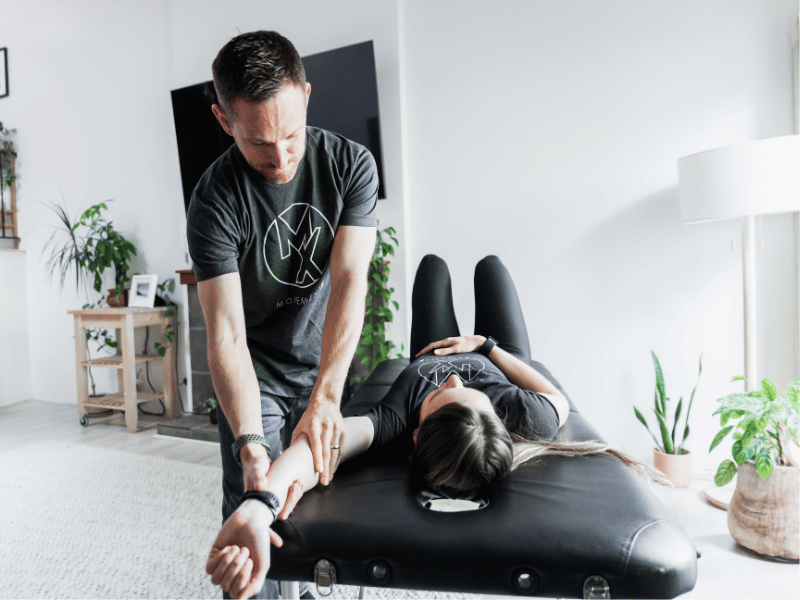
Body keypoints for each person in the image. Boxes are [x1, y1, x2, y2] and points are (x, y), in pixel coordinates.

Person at [205, 255, 670, 598]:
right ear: (495, 416)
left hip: (436, 347)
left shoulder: (395, 418)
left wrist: (259, 505)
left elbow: (318, 448)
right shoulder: (521, 410)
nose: (451, 378)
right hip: (501, 355)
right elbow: (555, 398)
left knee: (431, 271)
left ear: (415, 429)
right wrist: (488, 349)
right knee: (491, 269)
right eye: (458, 389)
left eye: (440, 395)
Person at [185, 30, 378, 599]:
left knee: (331, 505)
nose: (282, 157)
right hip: (255, 377)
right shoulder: (214, 200)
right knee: (257, 515)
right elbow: (224, 336)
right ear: (225, 121)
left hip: (321, 364)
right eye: (259, 143)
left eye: (291, 134)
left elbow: (349, 280)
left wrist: (327, 394)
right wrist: (248, 442)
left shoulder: (350, 166)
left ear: (307, 96)